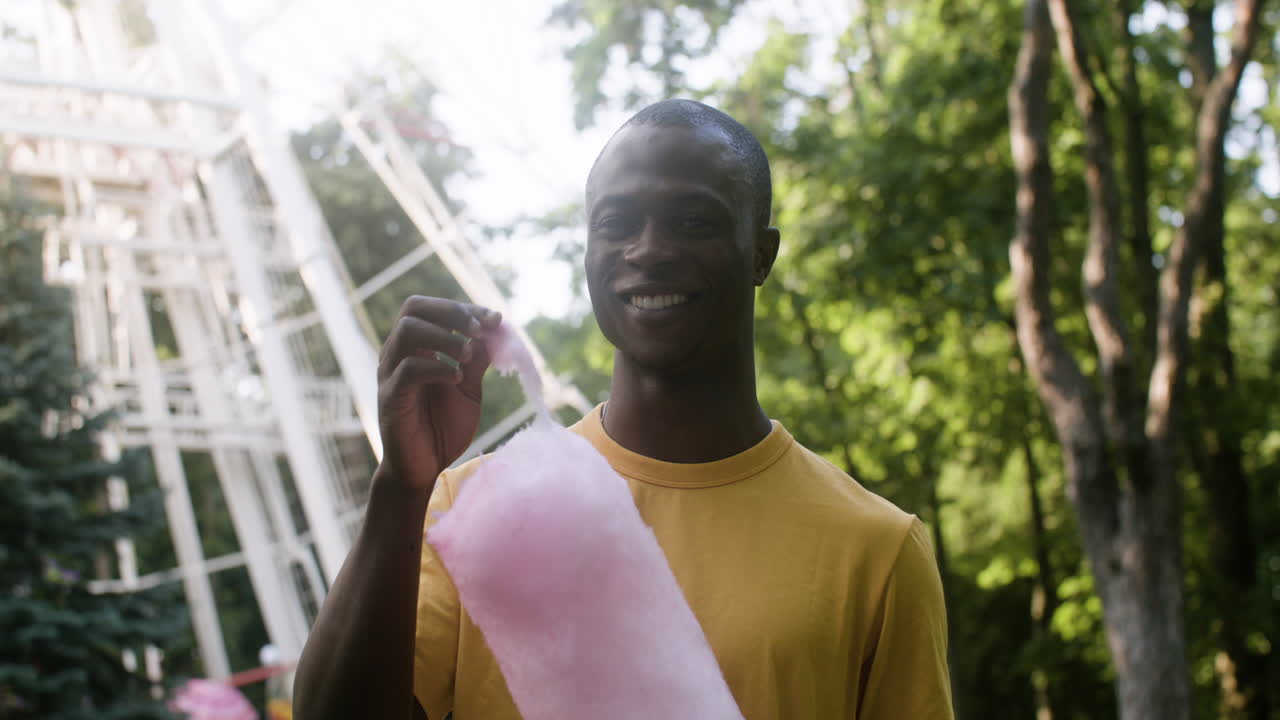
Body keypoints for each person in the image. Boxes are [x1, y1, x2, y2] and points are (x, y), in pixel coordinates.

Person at [293, 99, 953, 719]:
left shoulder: (875, 550)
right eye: (616, 224)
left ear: (762, 253)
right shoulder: (469, 514)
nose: (648, 249)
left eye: (693, 221)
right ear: (588, 252)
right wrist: (400, 489)